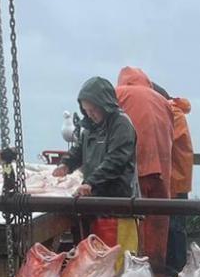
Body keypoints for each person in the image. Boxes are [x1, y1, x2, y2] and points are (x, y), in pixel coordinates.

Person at [54, 76, 139, 250]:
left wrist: (91, 183)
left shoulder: (121, 124)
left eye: (93, 110)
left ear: (104, 105)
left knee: (117, 264)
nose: (90, 114)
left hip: (116, 208)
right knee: (93, 263)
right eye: (86, 110)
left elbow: (116, 160)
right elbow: (79, 149)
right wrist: (66, 164)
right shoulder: (90, 127)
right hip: (94, 206)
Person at [114, 68, 174, 277]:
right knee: (156, 237)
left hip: (134, 173)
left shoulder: (118, 94)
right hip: (161, 175)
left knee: (133, 239)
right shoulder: (164, 101)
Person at [163, 85, 195, 275]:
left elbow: (165, 141)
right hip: (176, 178)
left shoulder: (173, 114)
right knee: (174, 227)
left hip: (175, 181)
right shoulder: (175, 112)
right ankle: (174, 270)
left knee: (175, 228)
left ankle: (177, 272)